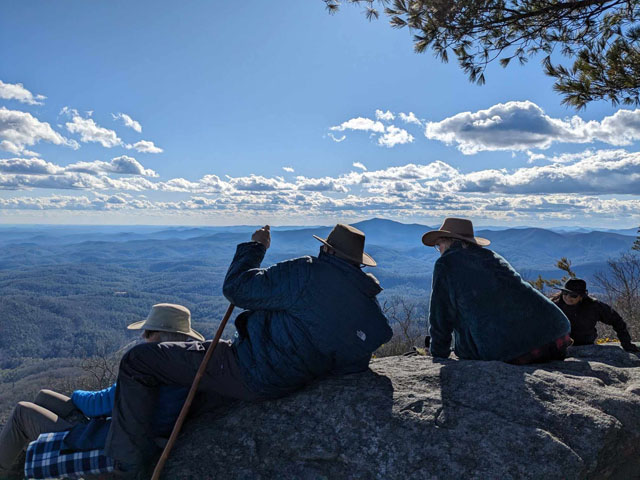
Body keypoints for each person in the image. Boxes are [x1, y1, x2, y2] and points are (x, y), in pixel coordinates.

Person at [105, 223, 393, 473]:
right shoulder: (370, 312)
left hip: (249, 367)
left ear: (327, 250)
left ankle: (128, 466)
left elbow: (237, 289)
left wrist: (256, 247)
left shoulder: (308, 273)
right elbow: (350, 362)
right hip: (291, 381)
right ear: (358, 264)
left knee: (138, 360)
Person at [0, 303, 201, 474]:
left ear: (160, 338)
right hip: (128, 432)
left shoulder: (147, 371)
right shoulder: (184, 368)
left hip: (110, 440)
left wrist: (76, 394)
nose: (142, 336)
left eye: (148, 332)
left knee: (22, 413)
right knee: (44, 397)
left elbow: (95, 406)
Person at [423, 217, 572, 364]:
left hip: (505, 351)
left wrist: (438, 352)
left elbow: (441, 314)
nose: (439, 249)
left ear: (448, 241)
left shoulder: (446, 263)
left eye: (438, 244)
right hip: (555, 335)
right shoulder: (491, 256)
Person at [551, 278, 639, 352]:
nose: (567, 297)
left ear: (581, 296)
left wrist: (626, 343)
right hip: (559, 347)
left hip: (586, 345)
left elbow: (617, 321)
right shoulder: (554, 306)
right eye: (565, 293)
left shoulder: (593, 307)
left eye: (573, 295)